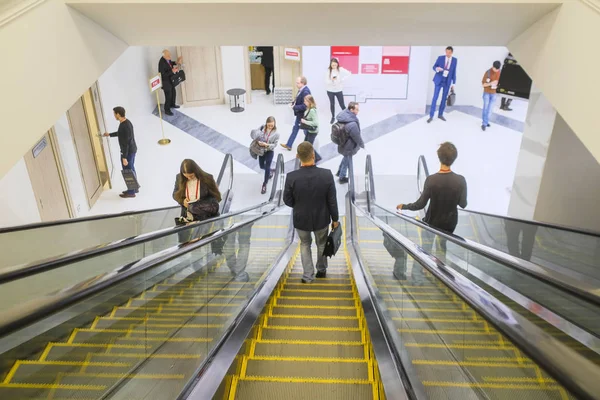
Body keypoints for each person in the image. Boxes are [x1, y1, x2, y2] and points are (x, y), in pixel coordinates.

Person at [396, 142, 467, 260]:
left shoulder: (431, 180)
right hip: (450, 222)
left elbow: (420, 204)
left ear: (439, 158)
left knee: (426, 245)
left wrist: (404, 206)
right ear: (454, 158)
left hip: (432, 222)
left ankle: (426, 267)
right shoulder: (460, 180)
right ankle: (441, 267)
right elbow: (463, 204)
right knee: (442, 244)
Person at [284, 142, 339, 283]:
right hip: (322, 218)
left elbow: (287, 200)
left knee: (304, 244)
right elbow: (332, 200)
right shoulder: (326, 175)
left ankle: (307, 276)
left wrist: (299, 205)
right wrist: (335, 219)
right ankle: (321, 270)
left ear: (297, 156)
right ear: (313, 155)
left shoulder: (291, 177)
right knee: (321, 244)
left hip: (301, 219)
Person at [103, 106, 138, 198]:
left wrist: (124, 157)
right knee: (131, 169)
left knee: (128, 171)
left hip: (128, 152)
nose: (114, 115)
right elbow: (121, 134)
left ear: (118, 114)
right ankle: (134, 188)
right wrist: (109, 134)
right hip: (132, 150)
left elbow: (125, 144)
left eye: (114, 113)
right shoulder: (127, 122)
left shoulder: (123, 126)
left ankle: (131, 192)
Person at [336, 102, 364, 184]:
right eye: (357, 109)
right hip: (348, 145)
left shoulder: (343, 116)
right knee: (347, 160)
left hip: (342, 142)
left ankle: (339, 172)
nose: (358, 111)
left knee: (345, 157)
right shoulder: (352, 124)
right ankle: (342, 177)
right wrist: (362, 145)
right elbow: (357, 137)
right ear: (351, 110)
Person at [428, 46, 457, 123]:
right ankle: (431, 116)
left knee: (444, 99)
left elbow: (454, 72)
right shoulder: (440, 58)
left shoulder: (454, 60)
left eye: (449, 52)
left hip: (447, 82)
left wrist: (453, 83)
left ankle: (440, 114)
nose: (447, 54)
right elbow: (434, 67)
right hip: (439, 80)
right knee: (435, 98)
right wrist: (437, 69)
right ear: (445, 51)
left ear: (452, 52)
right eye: (446, 52)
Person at [281, 76, 311, 151]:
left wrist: (295, 107)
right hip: (299, 115)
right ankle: (289, 144)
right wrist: (293, 103)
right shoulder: (301, 90)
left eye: (298, 83)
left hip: (303, 116)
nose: (296, 84)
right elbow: (298, 99)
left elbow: (305, 106)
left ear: (303, 83)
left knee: (306, 131)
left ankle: (310, 145)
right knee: (295, 129)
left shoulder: (305, 92)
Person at [251, 116, 279, 194]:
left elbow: (274, 145)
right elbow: (255, 135)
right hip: (261, 150)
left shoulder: (276, 134)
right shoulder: (261, 128)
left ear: (274, 124)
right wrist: (258, 141)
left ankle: (264, 184)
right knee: (261, 166)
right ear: (266, 123)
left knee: (267, 166)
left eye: (272, 125)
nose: (270, 127)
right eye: (269, 125)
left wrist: (266, 145)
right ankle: (271, 171)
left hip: (269, 151)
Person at [326, 58, 351, 124]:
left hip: (338, 90)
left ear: (337, 64)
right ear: (330, 64)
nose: (334, 66)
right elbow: (326, 81)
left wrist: (341, 80)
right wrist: (332, 80)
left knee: (342, 104)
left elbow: (349, 73)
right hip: (330, 90)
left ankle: (347, 116)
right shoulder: (328, 71)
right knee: (332, 104)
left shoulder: (340, 69)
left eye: (335, 64)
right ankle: (333, 117)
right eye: (332, 65)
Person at [158, 50, 183, 116]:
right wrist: (172, 71)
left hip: (170, 80)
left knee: (173, 93)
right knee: (168, 96)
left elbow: (170, 63)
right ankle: (167, 110)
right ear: (163, 56)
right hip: (166, 82)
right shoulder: (161, 63)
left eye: (170, 55)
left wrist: (176, 62)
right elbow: (163, 75)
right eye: (168, 56)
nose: (170, 56)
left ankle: (172, 104)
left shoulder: (167, 59)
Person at [300, 95, 322, 163]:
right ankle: (312, 158)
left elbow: (315, 123)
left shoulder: (312, 110)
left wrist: (305, 121)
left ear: (309, 102)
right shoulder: (308, 108)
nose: (304, 102)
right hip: (309, 130)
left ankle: (316, 157)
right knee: (306, 145)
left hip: (313, 131)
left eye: (305, 101)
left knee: (308, 146)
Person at [481, 60, 502, 131]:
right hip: (487, 93)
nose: (496, 71)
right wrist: (491, 83)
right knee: (485, 108)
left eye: (498, 69)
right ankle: (484, 123)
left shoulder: (500, 72)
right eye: (495, 69)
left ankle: (486, 121)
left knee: (490, 110)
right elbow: (483, 84)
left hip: (494, 93)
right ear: (493, 67)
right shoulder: (488, 72)